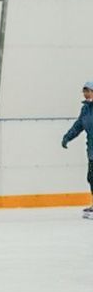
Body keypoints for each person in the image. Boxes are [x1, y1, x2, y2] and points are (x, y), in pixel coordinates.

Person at [61, 80, 93, 219]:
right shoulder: (85, 109)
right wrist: (67, 137)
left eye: (88, 91)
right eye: (84, 91)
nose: (86, 94)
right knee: (91, 177)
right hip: (91, 151)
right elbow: (78, 125)